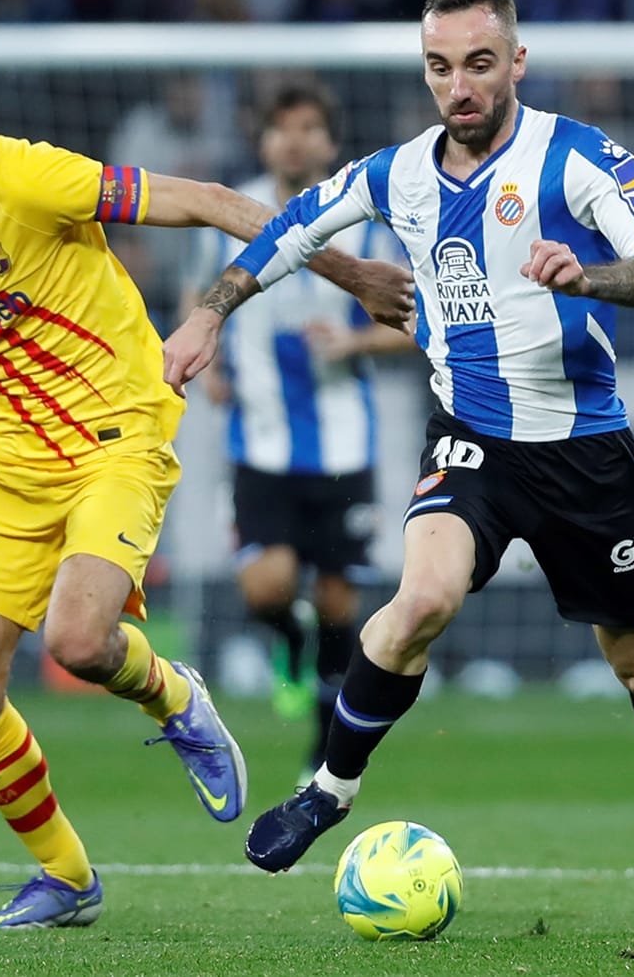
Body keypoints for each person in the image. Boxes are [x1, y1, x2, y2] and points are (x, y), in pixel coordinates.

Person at [0, 39, 413, 931]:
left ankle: (176, 696)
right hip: (8, 458)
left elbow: (215, 202)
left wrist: (354, 274)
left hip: (118, 429)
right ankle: (66, 879)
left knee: (76, 639)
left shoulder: (27, 176)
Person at [164, 0, 634, 915]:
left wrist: (589, 275)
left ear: (516, 61)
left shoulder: (575, 158)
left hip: (583, 448)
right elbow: (286, 230)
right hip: (470, 435)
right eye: (440, 67)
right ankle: (329, 789)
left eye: (478, 63)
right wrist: (207, 316)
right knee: (419, 596)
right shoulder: (398, 174)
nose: (459, 86)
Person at [182, 80, 411, 779]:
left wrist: (354, 344)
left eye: (310, 127)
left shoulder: (366, 220)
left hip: (344, 446)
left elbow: (417, 320)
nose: (295, 139)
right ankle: (287, 646)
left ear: (330, 142)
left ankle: (322, 741)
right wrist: (212, 357)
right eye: (283, 127)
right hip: (261, 442)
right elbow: (204, 294)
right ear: (263, 140)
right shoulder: (237, 210)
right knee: (267, 589)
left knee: (340, 601)